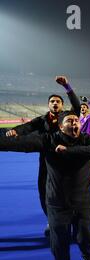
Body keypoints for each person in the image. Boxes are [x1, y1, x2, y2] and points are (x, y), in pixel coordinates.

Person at [0, 111, 90, 260]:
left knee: (85, 235)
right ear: (61, 126)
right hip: (57, 203)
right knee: (59, 240)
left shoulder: (86, 139)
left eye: (76, 120)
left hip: (82, 202)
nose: (75, 123)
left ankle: (89, 257)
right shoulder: (48, 140)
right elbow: (20, 143)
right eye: (70, 121)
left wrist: (68, 150)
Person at [5, 76, 81, 237]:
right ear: (48, 105)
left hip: (66, 158)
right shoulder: (42, 120)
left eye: (57, 101)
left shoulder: (67, 116)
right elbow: (28, 126)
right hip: (47, 160)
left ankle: (72, 221)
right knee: (43, 191)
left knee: (68, 192)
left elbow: (77, 106)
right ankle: (51, 220)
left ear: (62, 105)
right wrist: (16, 130)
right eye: (52, 101)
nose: (54, 103)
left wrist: (67, 86)